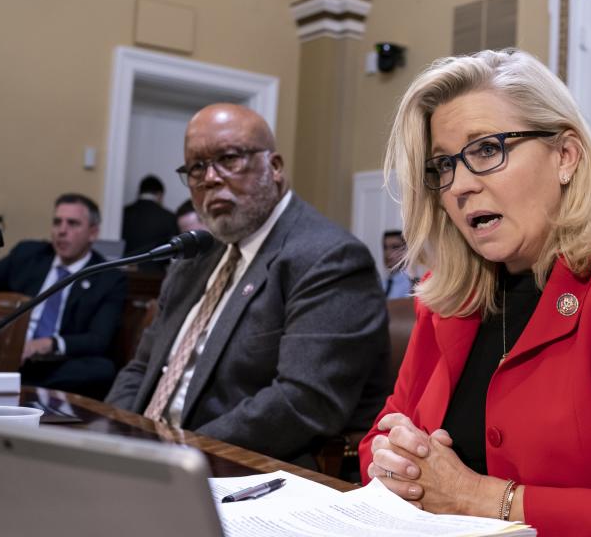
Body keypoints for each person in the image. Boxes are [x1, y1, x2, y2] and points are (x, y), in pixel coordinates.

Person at [360, 50, 591, 535]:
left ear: (565, 156)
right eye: (444, 166)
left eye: (486, 150)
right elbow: (381, 436)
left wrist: (477, 497)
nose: (458, 186)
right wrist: (397, 461)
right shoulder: (447, 297)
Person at [106, 104, 390, 465]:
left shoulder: (329, 258)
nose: (210, 178)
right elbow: (141, 369)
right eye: (196, 167)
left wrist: (177, 455)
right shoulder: (194, 259)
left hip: (237, 470)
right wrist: (114, 435)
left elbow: (304, 401)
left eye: (229, 158)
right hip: (149, 462)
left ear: (274, 168)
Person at [0, 194, 127, 398]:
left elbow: (98, 339)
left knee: (102, 369)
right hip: (10, 351)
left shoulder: (108, 278)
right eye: (57, 222)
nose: (62, 231)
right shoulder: (28, 255)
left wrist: (50, 344)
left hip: (55, 364)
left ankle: (22, 387)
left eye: (72, 223)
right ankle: (18, 386)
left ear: (93, 233)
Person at [122, 175, 179, 256]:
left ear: (139, 193)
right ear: (160, 194)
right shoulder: (169, 217)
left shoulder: (123, 213)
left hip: (125, 265)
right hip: (156, 267)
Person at [382, 230, 417, 298]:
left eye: (395, 247)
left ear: (407, 250)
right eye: (385, 247)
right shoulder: (382, 284)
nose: (388, 253)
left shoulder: (413, 286)